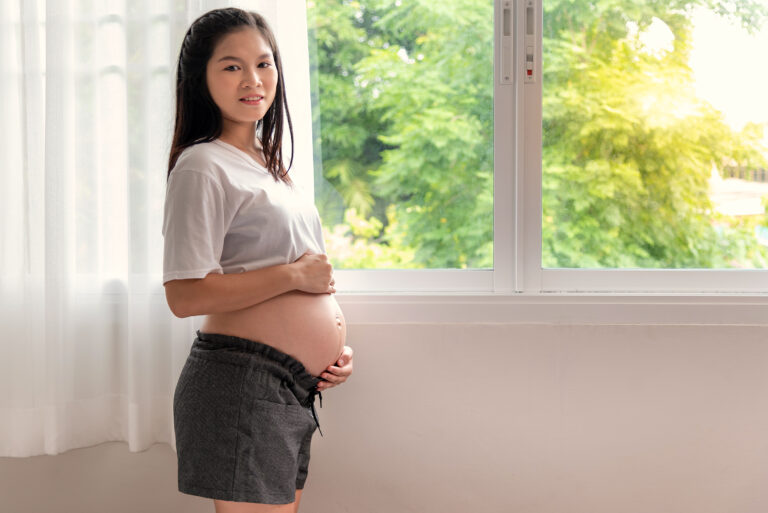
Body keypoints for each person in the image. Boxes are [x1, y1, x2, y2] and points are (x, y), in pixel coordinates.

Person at [162, 8, 354, 513]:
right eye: (231, 66)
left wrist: (330, 353)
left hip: (290, 387)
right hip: (242, 382)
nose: (253, 79)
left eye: (264, 64)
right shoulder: (201, 164)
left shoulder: (270, 167)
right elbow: (185, 295)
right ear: (200, 79)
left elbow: (293, 285)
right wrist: (294, 276)